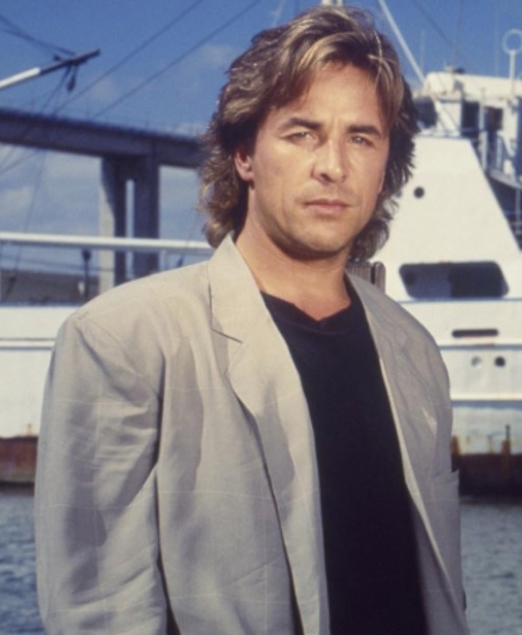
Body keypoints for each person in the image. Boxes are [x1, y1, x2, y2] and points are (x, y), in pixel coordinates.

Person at [34, 6, 469, 634]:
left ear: (385, 168)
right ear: (243, 154)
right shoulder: (125, 341)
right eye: (303, 133)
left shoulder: (415, 351)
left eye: (361, 138)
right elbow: (98, 613)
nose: (333, 166)